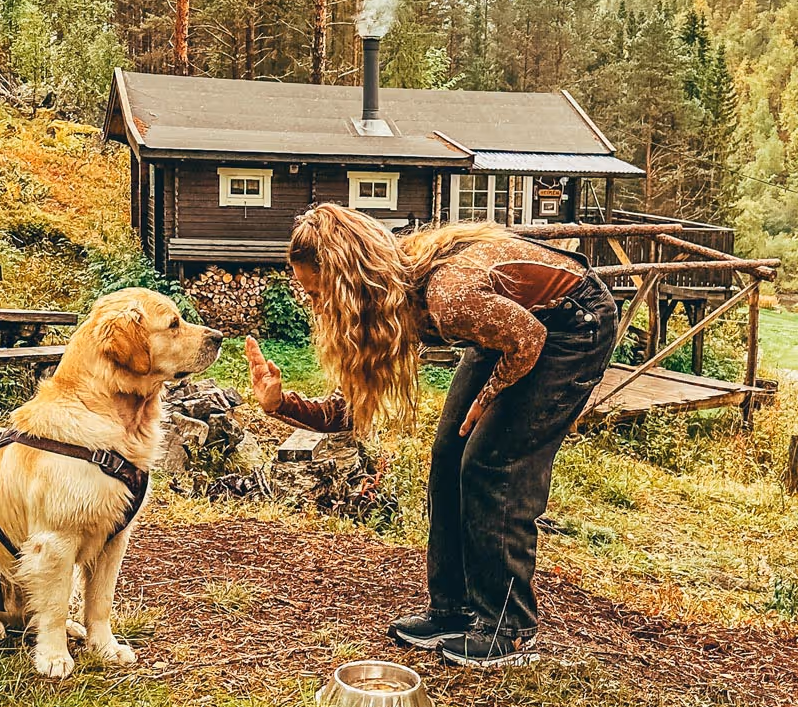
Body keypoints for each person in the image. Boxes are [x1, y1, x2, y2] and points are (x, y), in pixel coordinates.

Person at [245, 203, 617, 670]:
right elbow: (348, 412)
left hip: (571, 327)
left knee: (490, 463)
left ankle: (510, 628)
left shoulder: (449, 294)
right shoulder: (391, 298)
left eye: (320, 293)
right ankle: (453, 609)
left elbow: (528, 341)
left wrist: (491, 395)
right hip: (510, 330)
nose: (316, 306)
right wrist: (281, 404)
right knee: (447, 459)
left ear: (351, 281)